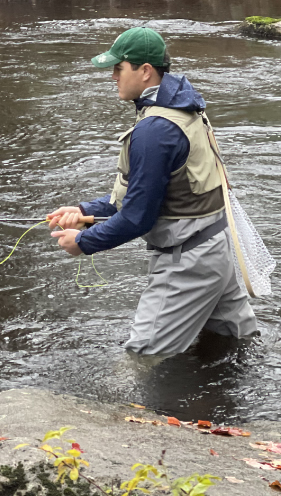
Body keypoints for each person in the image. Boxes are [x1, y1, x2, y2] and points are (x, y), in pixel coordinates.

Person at [47, 26, 257, 357]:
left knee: (142, 359)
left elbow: (138, 217)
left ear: (145, 72)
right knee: (233, 348)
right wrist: (83, 212)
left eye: (119, 68)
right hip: (217, 246)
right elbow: (155, 195)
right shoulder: (184, 105)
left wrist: (83, 243)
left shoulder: (154, 130)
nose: (113, 76)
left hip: (187, 262)